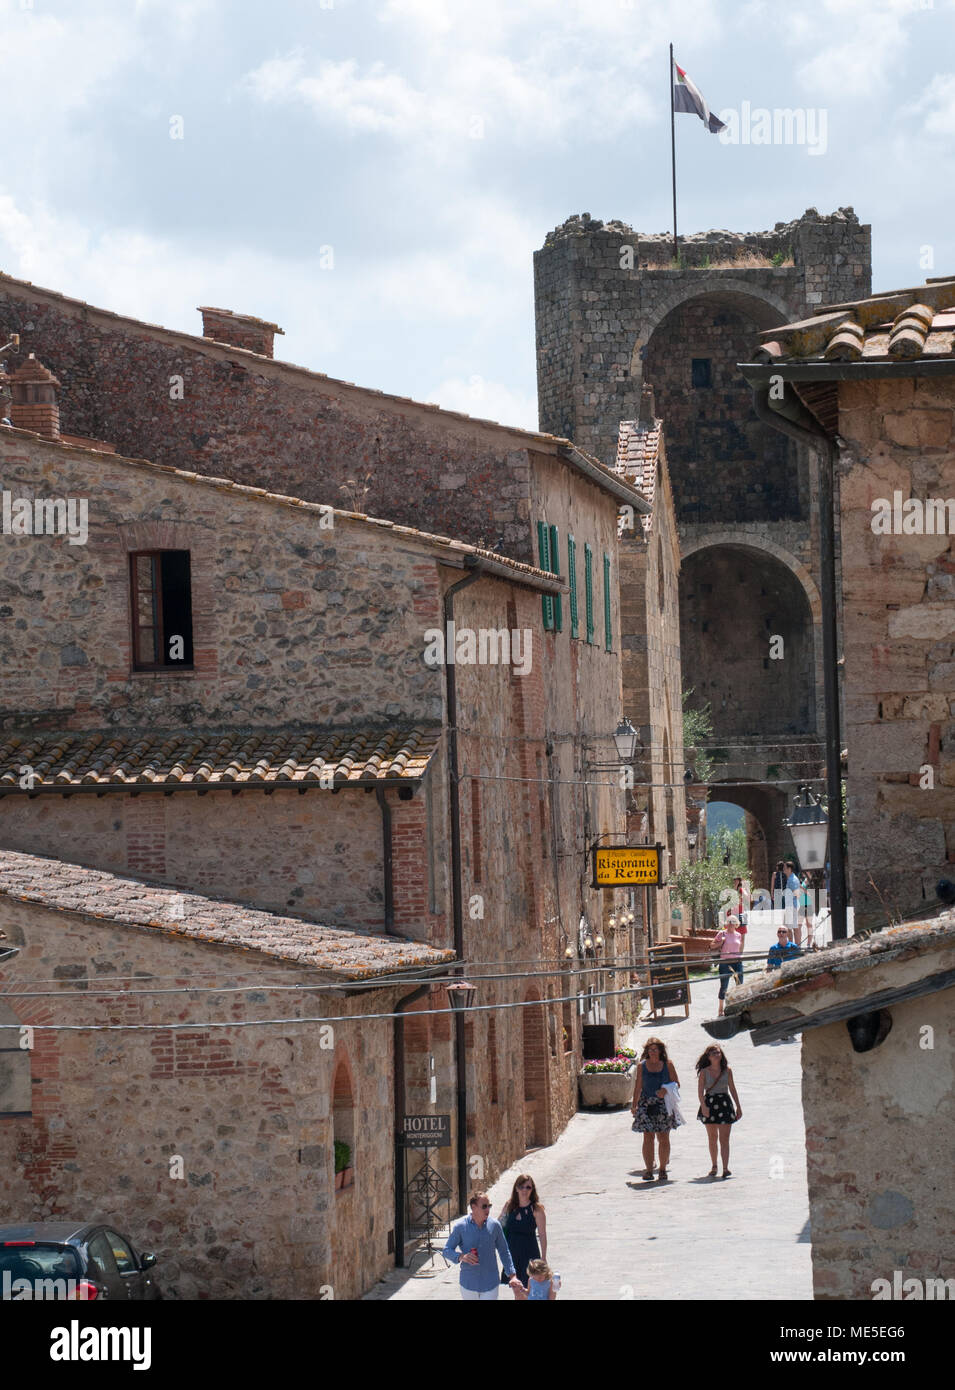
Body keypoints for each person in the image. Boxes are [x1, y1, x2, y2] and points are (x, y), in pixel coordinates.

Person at [442, 1191, 524, 1300]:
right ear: (473, 1207)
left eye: (489, 1206)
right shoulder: (461, 1227)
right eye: (484, 1206)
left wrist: (512, 1276)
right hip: (469, 1283)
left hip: (490, 1283)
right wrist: (461, 1257)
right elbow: (446, 1250)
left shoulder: (495, 1225)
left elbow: (504, 1251)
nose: (487, 1210)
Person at [630, 1037, 681, 1181]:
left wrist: (665, 1090)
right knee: (648, 1137)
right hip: (646, 1104)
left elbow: (677, 1083)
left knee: (664, 1137)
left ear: (660, 1051)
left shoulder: (668, 1065)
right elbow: (638, 1086)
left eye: (654, 1049)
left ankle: (663, 1169)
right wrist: (634, 1105)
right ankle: (649, 1170)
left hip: (663, 1104)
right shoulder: (642, 1066)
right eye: (649, 1049)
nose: (652, 1052)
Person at [696, 1044, 742, 1179]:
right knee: (712, 1137)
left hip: (724, 1104)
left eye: (718, 1052)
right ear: (708, 1057)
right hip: (710, 1104)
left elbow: (732, 1089)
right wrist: (703, 1106)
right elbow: (700, 1092)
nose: (717, 1055)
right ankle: (714, 1165)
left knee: (725, 1138)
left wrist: (738, 1106)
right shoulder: (704, 1072)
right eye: (713, 1053)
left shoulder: (727, 1070)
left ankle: (726, 1167)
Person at [497, 1174, 547, 1286]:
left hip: (530, 1253)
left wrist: (543, 1258)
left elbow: (542, 1234)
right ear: (516, 1188)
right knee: (515, 1288)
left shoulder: (537, 1209)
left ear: (532, 1189)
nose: (524, 1190)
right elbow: (499, 1225)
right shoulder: (509, 1206)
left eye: (528, 1187)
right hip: (512, 1253)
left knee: (530, 1287)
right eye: (521, 1186)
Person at [713, 913, 744, 1017]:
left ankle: (739, 1006)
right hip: (725, 963)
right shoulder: (722, 933)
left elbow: (739, 948)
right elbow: (711, 945)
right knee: (724, 986)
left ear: (736, 924)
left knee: (740, 985)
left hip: (737, 962)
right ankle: (720, 1008)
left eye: (733, 922)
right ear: (726, 923)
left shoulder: (738, 935)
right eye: (729, 922)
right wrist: (721, 942)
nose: (731, 924)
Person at [783, 861, 801, 944]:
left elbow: (796, 893)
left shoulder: (792, 879)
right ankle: (793, 946)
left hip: (792, 906)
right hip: (792, 906)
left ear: (789, 869)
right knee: (790, 928)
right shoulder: (791, 878)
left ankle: (795, 947)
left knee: (793, 928)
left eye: (785, 868)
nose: (783, 869)